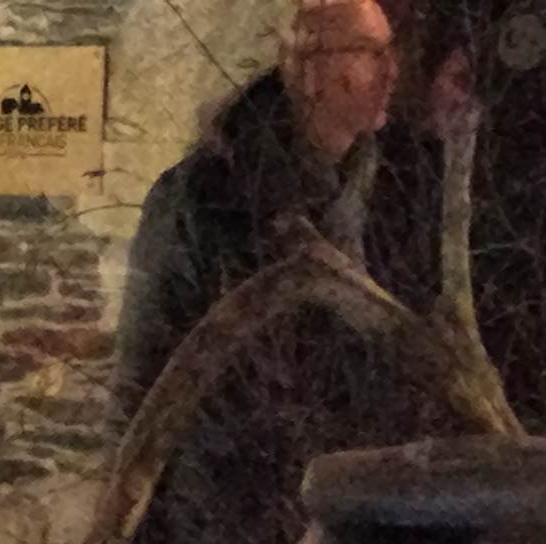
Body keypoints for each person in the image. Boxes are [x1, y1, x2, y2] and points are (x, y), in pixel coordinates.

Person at [113, 0, 444, 424]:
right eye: (366, 51)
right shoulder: (204, 195)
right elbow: (144, 376)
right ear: (310, 70)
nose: (390, 70)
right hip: (236, 453)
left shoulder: (401, 185)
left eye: (390, 49)